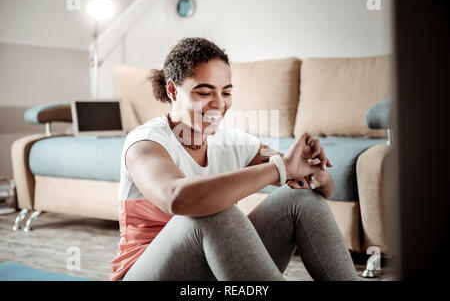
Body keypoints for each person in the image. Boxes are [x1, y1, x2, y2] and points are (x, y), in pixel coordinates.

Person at [109, 37, 359, 281]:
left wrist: (315, 172)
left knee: (299, 199)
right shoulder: (146, 143)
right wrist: (281, 168)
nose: (219, 104)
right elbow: (177, 198)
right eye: (204, 92)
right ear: (173, 90)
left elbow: (311, 184)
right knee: (213, 212)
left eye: (226, 92)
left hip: (217, 272)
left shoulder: (234, 142)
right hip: (145, 273)